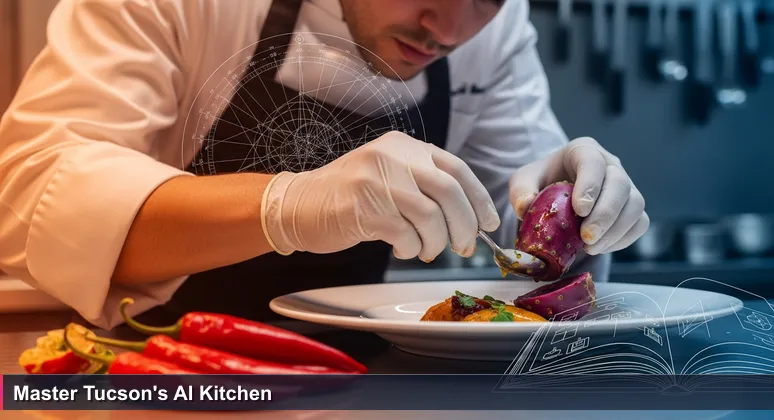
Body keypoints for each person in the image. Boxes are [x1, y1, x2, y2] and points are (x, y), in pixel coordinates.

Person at [0, 0, 649, 330]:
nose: (448, 28)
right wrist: (286, 208)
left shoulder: (496, 34)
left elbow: (531, 253)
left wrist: (572, 212)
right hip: (158, 375)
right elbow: (33, 198)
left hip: (360, 384)